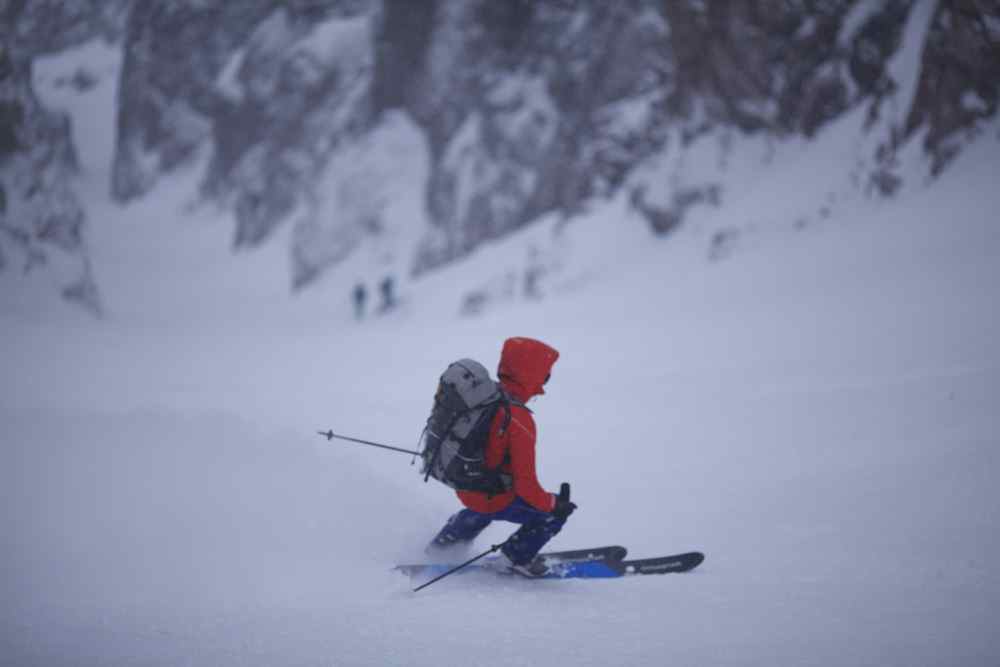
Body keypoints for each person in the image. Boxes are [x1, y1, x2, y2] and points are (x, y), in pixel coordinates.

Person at [427, 337, 576, 577]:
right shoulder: (519, 419)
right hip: (492, 497)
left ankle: (443, 546)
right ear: (532, 374)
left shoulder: (482, 400)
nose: (543, 387)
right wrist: (554, 504)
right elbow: (527, 488)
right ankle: (514, 559)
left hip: (465, 488)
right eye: (544, 376)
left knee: (483, 504)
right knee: (550, 512)